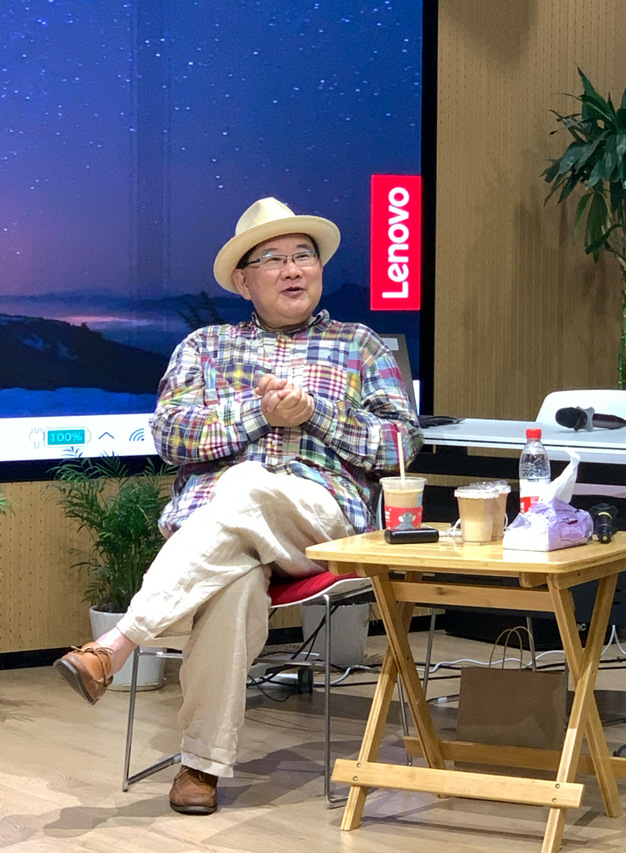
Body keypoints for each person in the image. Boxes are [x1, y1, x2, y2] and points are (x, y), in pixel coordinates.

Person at [54, 197, 423, 815]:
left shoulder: (359, 345)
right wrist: (258, 413)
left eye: (303, 256)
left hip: (318, 522)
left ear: (319, 270)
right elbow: (171, 437)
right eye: (273, 259)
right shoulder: (205, 347)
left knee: (245, 484)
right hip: (218, 535)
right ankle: (200, 767)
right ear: (244, 282)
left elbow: (402, 444)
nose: (292, 269)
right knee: (234, 587)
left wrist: (315, 414)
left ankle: (116, 645)